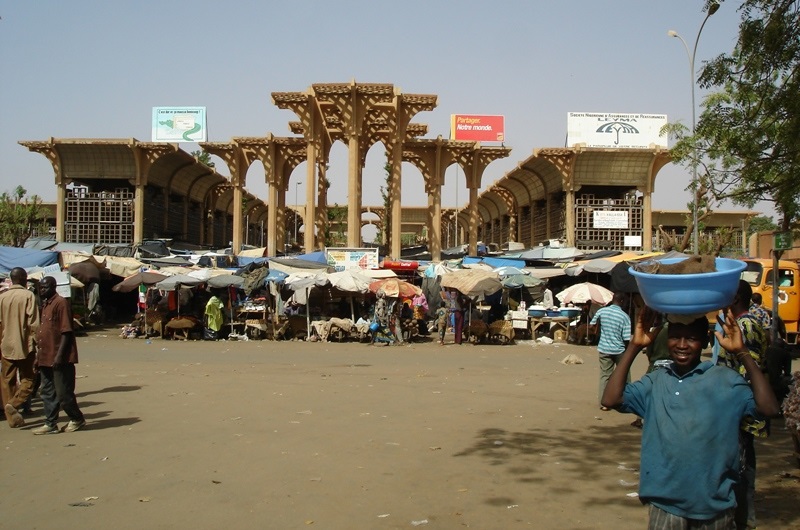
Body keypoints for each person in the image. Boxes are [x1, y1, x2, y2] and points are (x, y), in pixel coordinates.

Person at [602, 308, 779, 528]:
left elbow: (769, 408)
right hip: (666, 502)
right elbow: (611, 399)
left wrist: (742, 352)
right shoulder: (656, 381)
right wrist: (634, 346)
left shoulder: (726, 381)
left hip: (715, 505)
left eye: (692, 338)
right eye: (675, 337)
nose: (682, 345)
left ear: (705, 341)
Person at [716, 280, 768, 529]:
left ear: (735, 298)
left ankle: (743, 518)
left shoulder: (745, 326)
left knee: (740, 467)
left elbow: (749, 369)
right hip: (739, 408)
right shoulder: (744, 323)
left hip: (740, 411)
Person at [33, 276, 86, 434]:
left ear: (53, 287)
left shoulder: (60, 303)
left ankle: (77, 418)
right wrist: (38, 357)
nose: (42, 290)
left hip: (59, 357)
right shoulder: (45, 305)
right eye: (40, 288)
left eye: (45, 287)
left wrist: (59, 356)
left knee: (63, 392)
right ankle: (50, 423)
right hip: (45, 356)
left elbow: (66, 332)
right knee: (47, 392)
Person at [0, 267, 40, 428]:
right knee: (29, 380)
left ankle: (12, 418)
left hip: (6, 345)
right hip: (24, 345)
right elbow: (34, 324)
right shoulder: (28, 296)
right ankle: (14, 405)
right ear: (23, 279)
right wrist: (38, 344)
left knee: (7, 381)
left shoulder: (2, 297)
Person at [590, 292, 631, 409]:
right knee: (624, 376)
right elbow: (626, 338)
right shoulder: (624, 317)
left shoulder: (602, 311)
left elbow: (592, 325)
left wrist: (599, 331)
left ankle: (604, 403)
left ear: (613, 300)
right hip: (619, 350)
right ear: (622, 302)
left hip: (604, 349)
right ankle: (626, 400)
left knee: (605, 376)